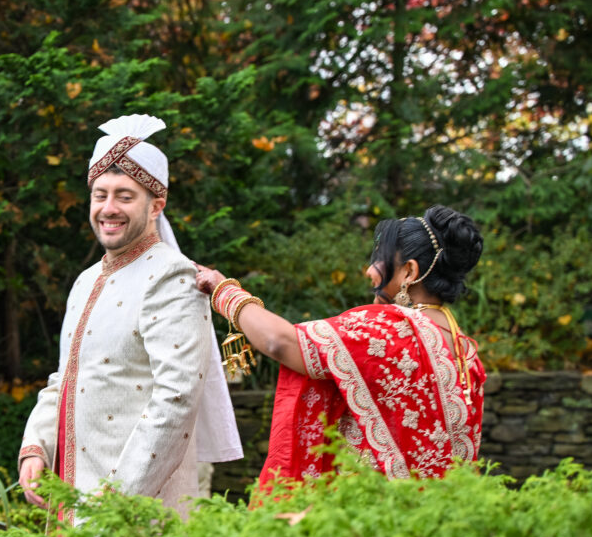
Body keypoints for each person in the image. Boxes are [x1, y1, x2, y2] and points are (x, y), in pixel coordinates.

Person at [18, 114, 242, 521]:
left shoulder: (173, 277)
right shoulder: (86, 281)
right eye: (99, 195)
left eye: (124, 196)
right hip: (74, 498)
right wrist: (36, 447)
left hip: (136, 512)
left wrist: (115, 505)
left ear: (156, 205)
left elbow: (176, 399)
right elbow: (65, 379)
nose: (108, 208)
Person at [195, 205, 485, 486]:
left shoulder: (389, 329)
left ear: (409, 271)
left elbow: (279, 342)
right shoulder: (466, 352)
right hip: (441, 511)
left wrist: (224, 291)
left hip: (370, 509)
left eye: (380, 259)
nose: (370, 271)